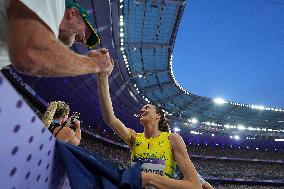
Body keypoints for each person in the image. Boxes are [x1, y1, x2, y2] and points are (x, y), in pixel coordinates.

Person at [96, 61, 201, 189]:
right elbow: (110, 119)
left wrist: (150, 179)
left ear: (158, 115)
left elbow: (195, 185)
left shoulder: (172, 139)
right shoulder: (134, 138)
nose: (141, 110)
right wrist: (103, 77)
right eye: (142, 108)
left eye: (147, 107)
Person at [0, 0, 112, 76]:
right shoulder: (55, 3)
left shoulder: (41, 32)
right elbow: (31, 55)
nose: (84, 41)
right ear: (72, 13)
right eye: (86, 33)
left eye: (86, 41)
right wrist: (95, 64)